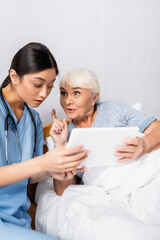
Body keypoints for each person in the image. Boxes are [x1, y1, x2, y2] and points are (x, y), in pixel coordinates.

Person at [0, 44, 88, 240]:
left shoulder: (33, 119)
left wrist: (58, 162)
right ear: (14, 76)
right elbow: (35, 164)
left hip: (19, 217)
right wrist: (43, 162)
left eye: (50, 86)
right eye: (38, 84)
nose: (44, 94)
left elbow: (30, 177)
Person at [49, 67, 160, 196]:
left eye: (76, 93)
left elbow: (157, 128)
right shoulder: (66, 136)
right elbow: (64, 191)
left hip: (141, 177)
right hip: (109, 189)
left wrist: (144, 145)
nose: (67, 101)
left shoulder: (113, 110)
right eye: (63, 93)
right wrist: (60, 146)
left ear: (93, 98)